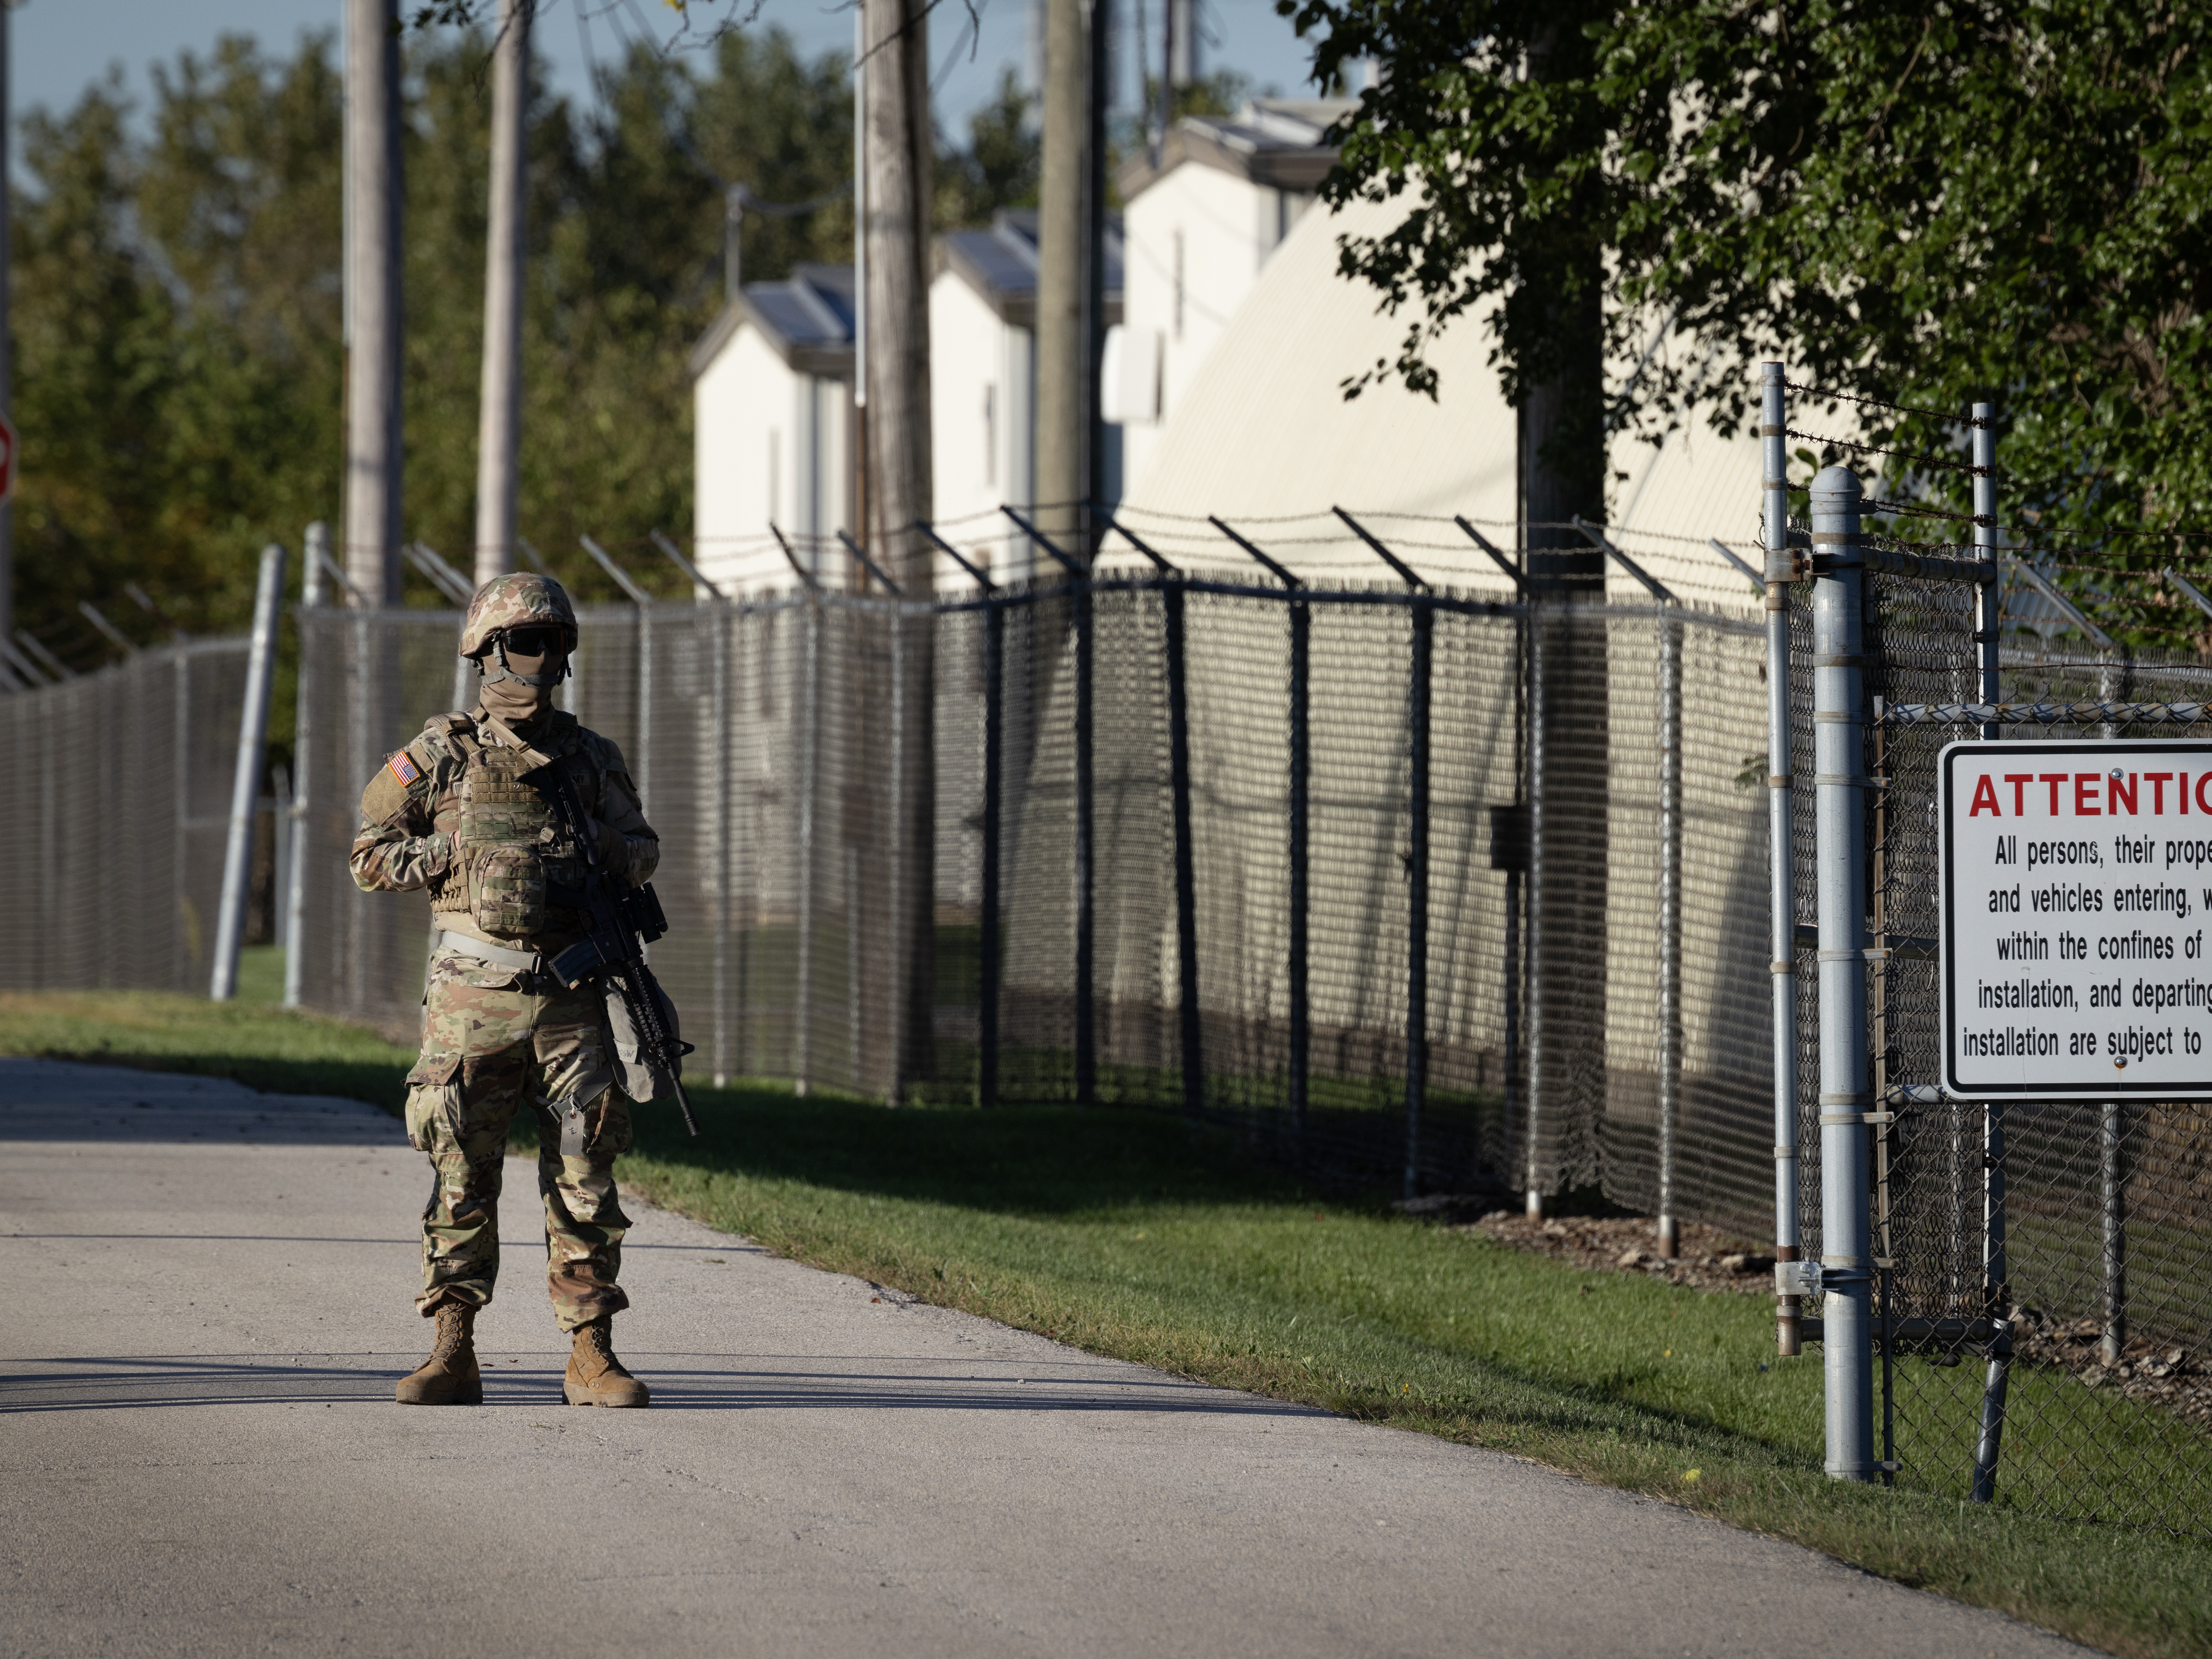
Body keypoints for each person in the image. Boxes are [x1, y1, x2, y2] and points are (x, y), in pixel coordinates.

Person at [350, 573, 661, 1408]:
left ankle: (590, 1353)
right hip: (472, 996)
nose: (538, 656)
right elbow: (369, 852)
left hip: (570, 998)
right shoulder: (442, 753)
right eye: (524, 640)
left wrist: (598, 842)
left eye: (551, 641)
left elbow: (644, 849)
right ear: (486, 650)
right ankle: (452, 1349)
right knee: (460, 1167)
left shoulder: (591, 758)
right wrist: (449, 852)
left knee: (586, 1170)